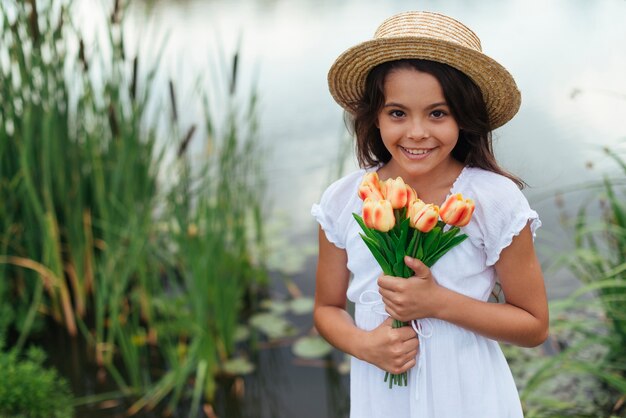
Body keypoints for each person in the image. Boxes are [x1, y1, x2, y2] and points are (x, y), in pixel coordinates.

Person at [311, 10, 549, 418]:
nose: (417, 132)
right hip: (382, 399)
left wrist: (437, 302)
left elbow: (533, 326)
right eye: (397, 113)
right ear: (375, 117)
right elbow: (326, 309)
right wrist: (363, 345)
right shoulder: (346, 200)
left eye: (437, 113)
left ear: (465, 117)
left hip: (471, 399)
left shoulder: (493, 200)